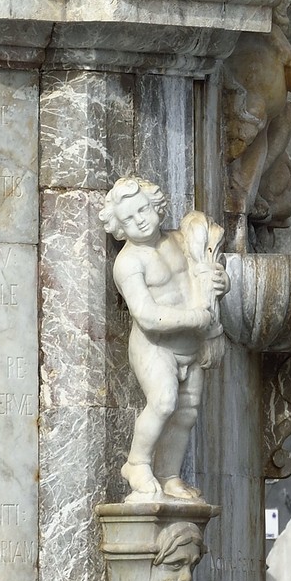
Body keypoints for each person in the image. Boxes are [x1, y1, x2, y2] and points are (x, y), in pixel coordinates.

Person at [99, 176, 227, 501]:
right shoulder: (128, 262)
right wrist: (196, 318)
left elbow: (201, 276)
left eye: (143, 209)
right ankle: (137, 463)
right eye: (128, 218)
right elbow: (146, 315)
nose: (139, 219)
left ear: (156, 206)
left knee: (187, 412)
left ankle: (169, 475)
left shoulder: (180, 241)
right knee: (163, 401)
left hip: (192, 344)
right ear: (119, 227)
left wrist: (220, 282)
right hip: (155, 347)